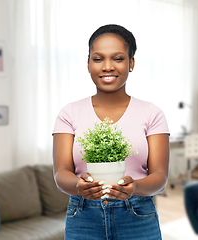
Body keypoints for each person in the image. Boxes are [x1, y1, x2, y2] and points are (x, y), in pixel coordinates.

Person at [52, 24, 170, 240]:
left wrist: (133, 188)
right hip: (83, 216)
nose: (107, 66)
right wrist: (79, 186)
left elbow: (160, 177)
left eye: (118, 58)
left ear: (131, 63)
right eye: (98, 59)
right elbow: (61, 173)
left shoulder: (152, 113)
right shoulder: (69, 113)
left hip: (137, 215)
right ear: (88, 64)